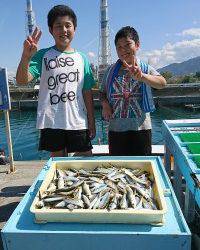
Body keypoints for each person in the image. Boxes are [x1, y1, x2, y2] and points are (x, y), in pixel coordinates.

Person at [16, 5, 96, 157]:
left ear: (75, 29)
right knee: (58, 165)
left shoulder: (82, 58)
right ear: (51, 30)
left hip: (78, 121)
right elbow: (21, 80)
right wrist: (26, 57)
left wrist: (91, 120)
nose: (64, 30)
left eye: (68, 25)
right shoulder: (43, 55)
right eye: (58, 26)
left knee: (85, 160)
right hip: (52, 121)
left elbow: (87, 92)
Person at [100, 26, 166, 156]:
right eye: (119, 47)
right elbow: (102, 93)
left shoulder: (145, 69)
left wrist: (142, 77)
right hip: (116, 130)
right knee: (117, 168)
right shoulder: (110, 71)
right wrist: (105, 105)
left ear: (137, 45)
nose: (123, 50)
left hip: (141, 129)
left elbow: (162, 83)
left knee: (142, 169)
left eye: (127, 44)